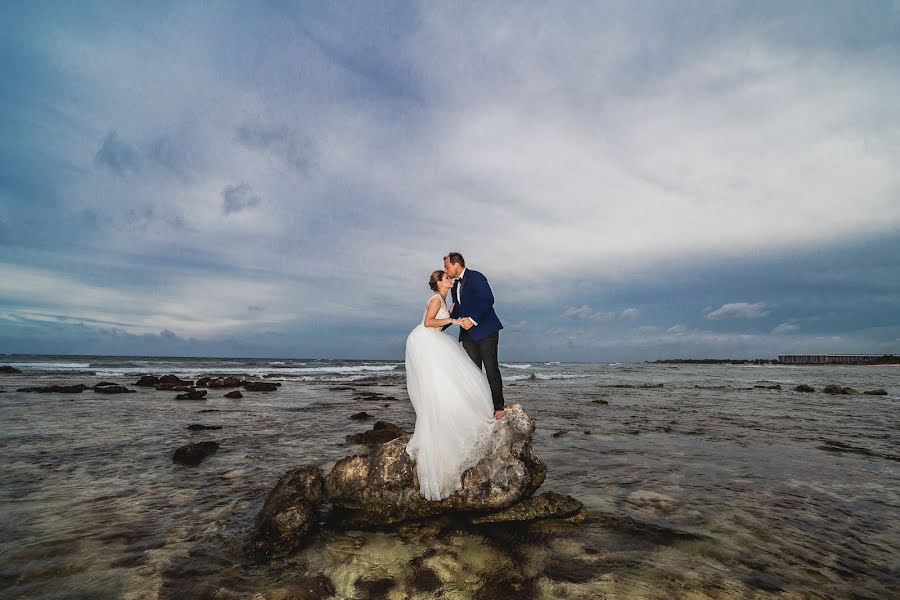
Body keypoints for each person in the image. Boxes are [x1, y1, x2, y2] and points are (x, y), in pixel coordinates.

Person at [404, 269, 496, 501]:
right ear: (439, 283)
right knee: (442, 380)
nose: (450, 280)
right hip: (425, 341)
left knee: (446, 381)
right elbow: (428, 322)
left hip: (431, 340)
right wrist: (454, 319)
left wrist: (454, 314)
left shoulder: (445, 299)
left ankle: (454, 415)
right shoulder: (436, 299)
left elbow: (438, 322)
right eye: (447, 278)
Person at [443, 252, 506, 419]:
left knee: (491, 368)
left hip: (485, 330)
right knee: (473, 373)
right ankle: (480, 408)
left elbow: (487, 300)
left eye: (447, 266)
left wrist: (472, 319)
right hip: (467, 335)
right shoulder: (454, 286)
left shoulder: (476, 276)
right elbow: (457, 310)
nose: (446, 270)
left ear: (456, 264)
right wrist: (442, 323)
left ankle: (498, 407)